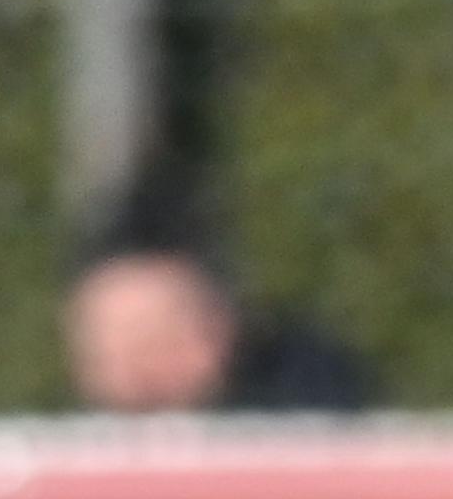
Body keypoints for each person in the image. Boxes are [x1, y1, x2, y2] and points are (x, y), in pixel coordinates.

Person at [62, 169, 370, 413]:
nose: (140, 379)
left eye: (157, 342)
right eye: (111, 355)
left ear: (221, 324)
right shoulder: (55, 460)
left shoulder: (304, 412)